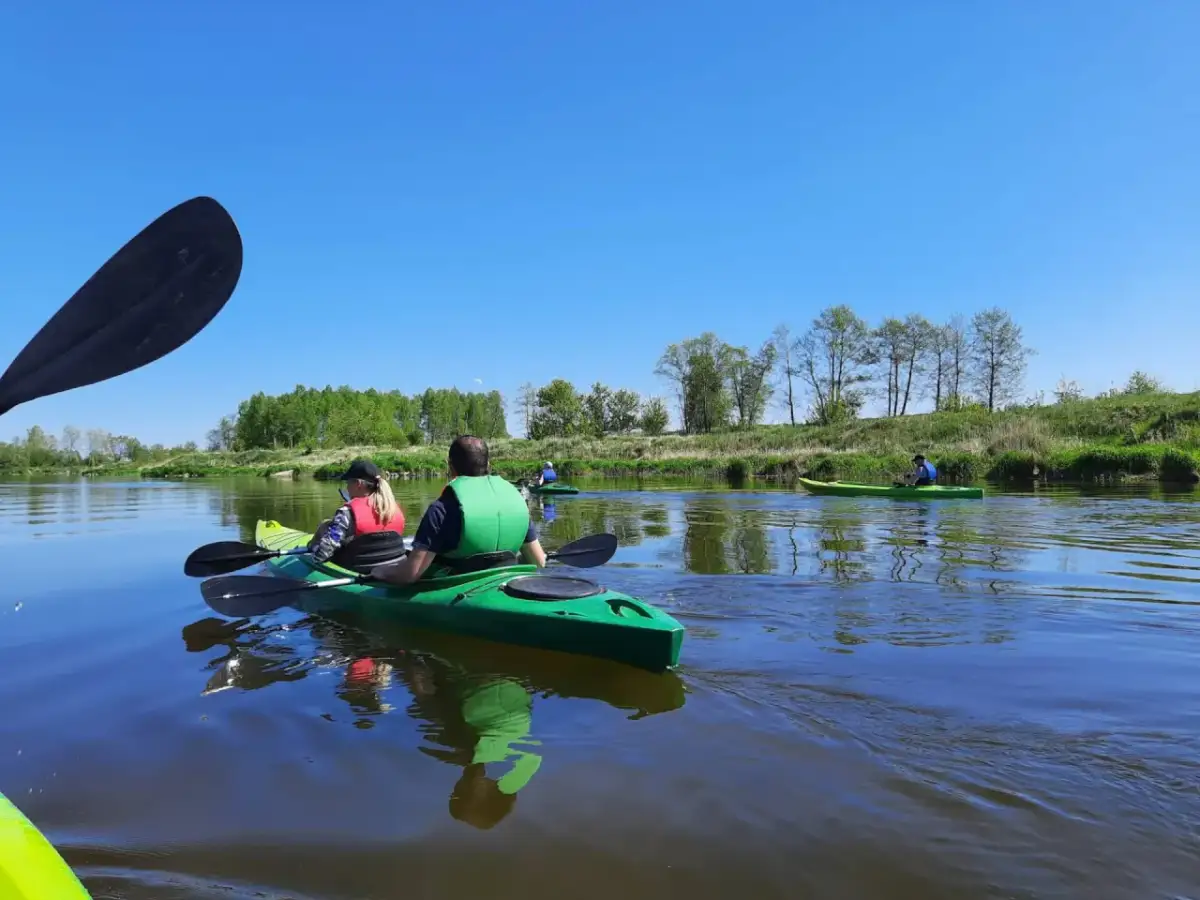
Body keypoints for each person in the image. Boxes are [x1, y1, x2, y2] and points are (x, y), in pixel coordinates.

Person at [372, 435, 546, 584]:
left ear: (451, 466)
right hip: (507, 583)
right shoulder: (516, 501)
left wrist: (382, 572)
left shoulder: (442, 509)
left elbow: (410, 575)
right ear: (488, 465)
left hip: (459, 588)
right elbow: (539, 562)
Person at [308, 458, 407, 569]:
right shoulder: (394, 508)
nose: (347, 487)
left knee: (324, 526)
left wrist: (313, 550)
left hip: (361, 570)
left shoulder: (346, 514)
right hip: (394, 567)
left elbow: (322, 555)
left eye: (348, 483)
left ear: (358, 484)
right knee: (327, 524)